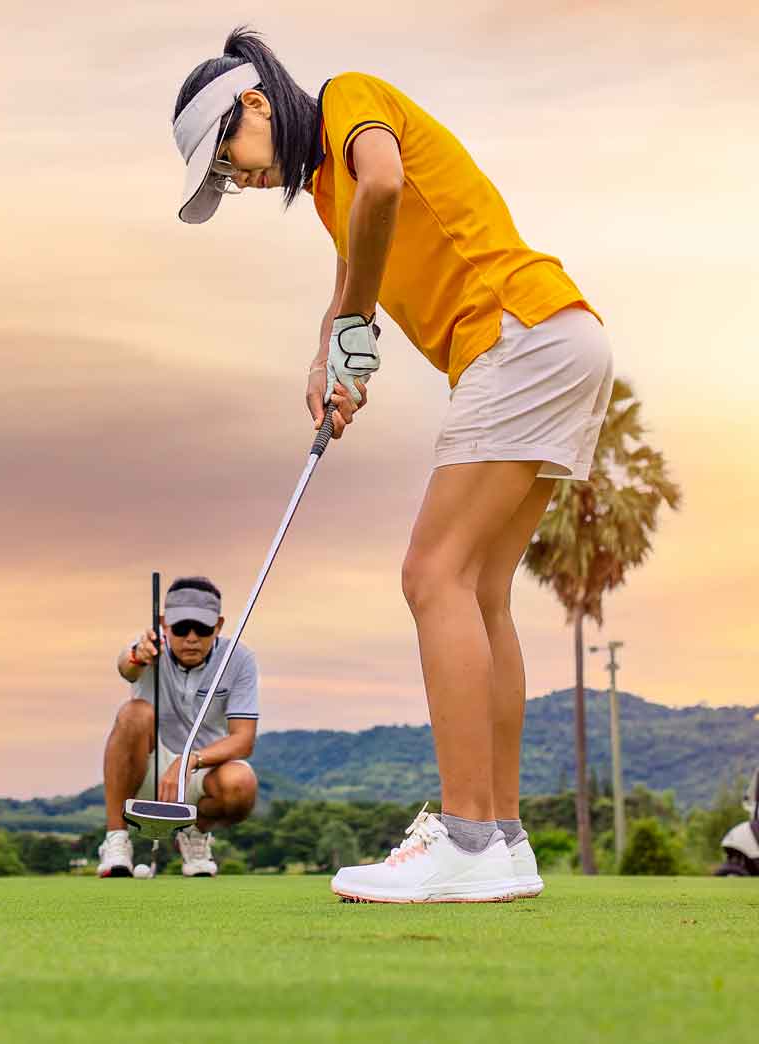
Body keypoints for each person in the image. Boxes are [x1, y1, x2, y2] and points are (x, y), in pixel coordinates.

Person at [168, 28, 612, 902]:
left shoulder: (348, 97)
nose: (234, 180)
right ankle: (504, 841)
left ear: (254, 104)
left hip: (517, 335)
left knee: (430, 576)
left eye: (224, 157)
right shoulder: (327, 192)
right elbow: (352, 275)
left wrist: (352, 331)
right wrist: (328, 359)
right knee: (480, 592)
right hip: (557, 337)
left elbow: (383, 185)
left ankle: (465, 838)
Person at [96, 577, 259, 878]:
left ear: (219, 626)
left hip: (201, 770)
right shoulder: (146, 647)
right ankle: (116, 839)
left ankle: (195, 834)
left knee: (242, 783)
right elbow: (126, 666)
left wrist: (189, 760)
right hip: (146, 769)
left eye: (203, 629)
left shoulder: (239, 658)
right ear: (164, 624)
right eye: (182, 628)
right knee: (134, 713)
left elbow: (244, 740)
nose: (192, 638)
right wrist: (137, 656)